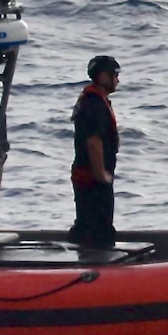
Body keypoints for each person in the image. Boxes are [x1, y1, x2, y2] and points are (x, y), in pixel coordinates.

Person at [68, 55, 120, 250]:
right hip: (92, 177)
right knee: (98, 224)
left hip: (90, 175)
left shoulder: (93, 101)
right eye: (114, 75)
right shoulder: (95, 106)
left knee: (88, 220)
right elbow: (93, 141)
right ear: (102, 76)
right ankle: (95, 260)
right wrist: (100, 174)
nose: (117, 80)